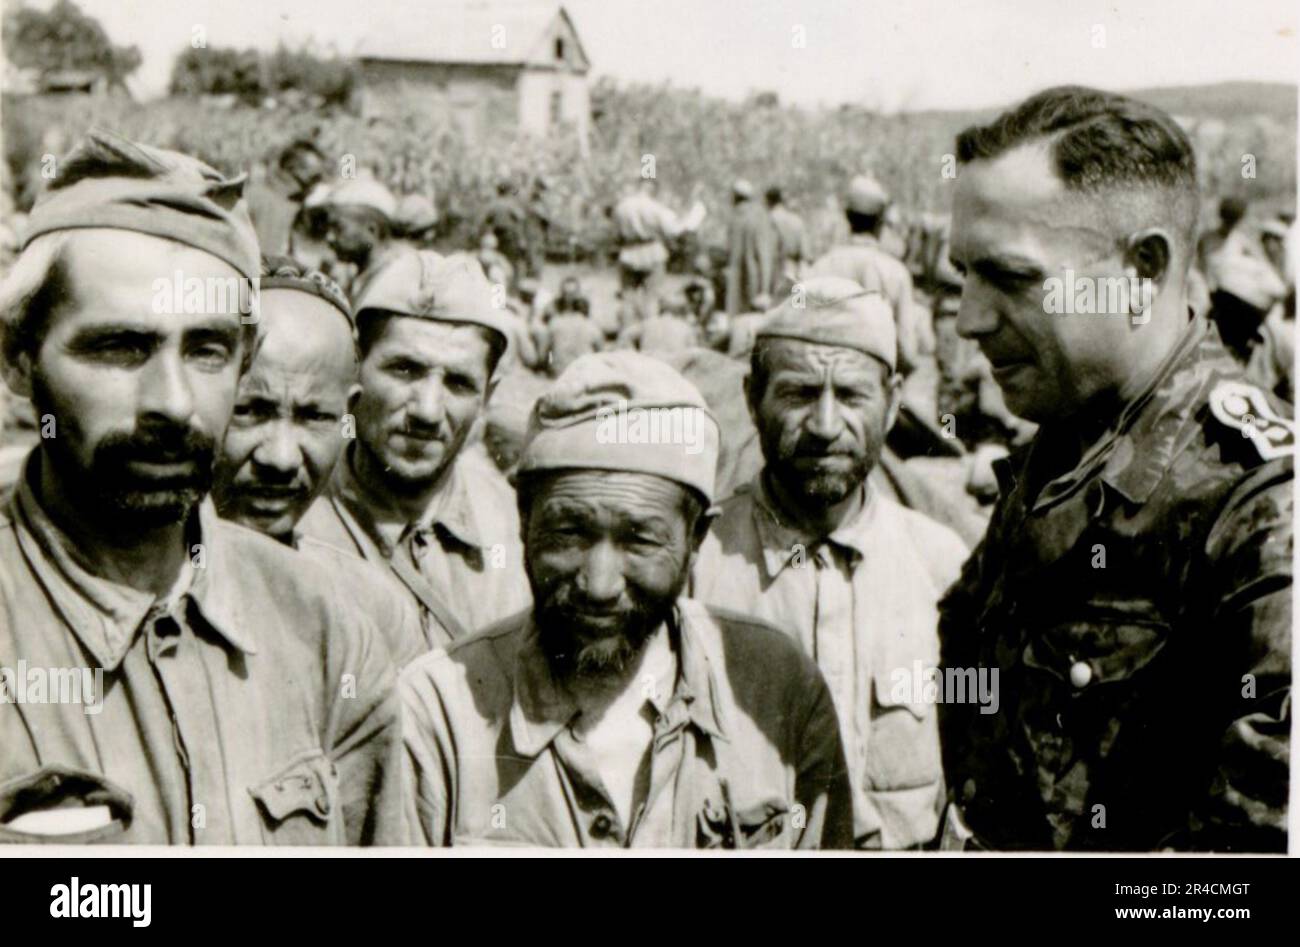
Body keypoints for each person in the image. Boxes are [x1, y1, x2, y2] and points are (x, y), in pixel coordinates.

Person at [0, 131, 405, 845]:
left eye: (207, 349)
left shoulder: (325, 630)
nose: (174, 402)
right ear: (17, 361)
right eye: (120, 346)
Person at [940, 86, 1292, 852]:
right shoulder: (1065, 445)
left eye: (1011, 277)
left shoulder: (1262, 504)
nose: (968, 317)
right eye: (963, 273)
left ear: (1142, 269)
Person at [401, 350, 853, 848]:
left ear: (697, 539)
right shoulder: (437, 713)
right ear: (524, 521)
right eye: (569, 533)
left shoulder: (779, 692)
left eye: (640, 541)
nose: (599, 584)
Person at [694, 277, 967, 849]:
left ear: (893, 404)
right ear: (752, 398)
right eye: (797, 394)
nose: (824, 425)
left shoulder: (944, 569)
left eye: (851, 395)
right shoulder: (695, 567)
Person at [298, 250, 530, 644]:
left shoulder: (514, 527)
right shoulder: (294, 515)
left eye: (458, 383)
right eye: (404, 370)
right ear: (354, 367)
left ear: (486, 397)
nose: (427, 410)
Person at [211, 256, 427, 666]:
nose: (280, 457)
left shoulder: (374, 616)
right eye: (250, 410)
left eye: (315, 417)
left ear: (351, 416)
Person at [812, 174, 923, 373]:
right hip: (875, 384)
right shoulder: (896, 273)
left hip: (828, 380)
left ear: (847, 216)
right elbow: (908, 352)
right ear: (881, 220)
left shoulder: (820, 267)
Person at [611, 178, 705, 325]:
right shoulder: (656, 208)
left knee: (628, 299)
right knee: (652, 298)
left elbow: (615, 234)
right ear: (652, 189)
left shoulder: (622, 207)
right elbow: (674, 230)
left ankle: (626, 333)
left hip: (628, 252)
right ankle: (650, 330)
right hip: (652, 252)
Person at [244, 138, 327, 258]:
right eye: (314, 178)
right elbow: (269, 259)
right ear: (293, 169)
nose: (315, 186)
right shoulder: (269, 201)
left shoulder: (285, 201)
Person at [321, 175, 398, 301]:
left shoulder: (391, 280)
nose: (329, 237)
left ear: (372, 230)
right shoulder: (362, 277)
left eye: (338, 228)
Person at [725, 179, 775, 315]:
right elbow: (764, 256)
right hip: (753, 282)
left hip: (735, 283)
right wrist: (765, 289)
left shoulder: (733, 219)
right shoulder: (758, 218)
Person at [766, 186, 810, 296]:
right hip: (796, 270)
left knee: (777, 309)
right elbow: (806, 253)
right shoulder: (796, 220)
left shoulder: (768, 219)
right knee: (798, 306)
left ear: (768, 201)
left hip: (777, 270)